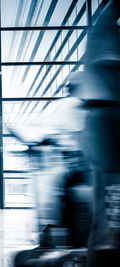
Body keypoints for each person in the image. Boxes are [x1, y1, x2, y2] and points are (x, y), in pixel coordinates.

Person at [79, 0, 120, 266]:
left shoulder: (104, 31)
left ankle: (104, 250)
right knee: (109, 201)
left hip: (103, 121)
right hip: (106, 122)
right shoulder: (104, 31)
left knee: (108, 203)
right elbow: (108, 67)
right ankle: (103, 253)